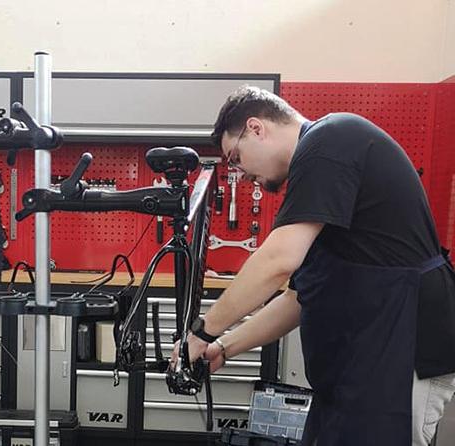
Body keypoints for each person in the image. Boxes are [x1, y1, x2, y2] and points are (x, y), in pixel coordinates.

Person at [172, 85, 455, 445]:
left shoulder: (331, 140)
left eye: (236, 157)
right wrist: (223, 347)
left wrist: (201, 333)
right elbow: (298, 299)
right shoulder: (320, 178)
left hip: (403, 352)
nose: (240, 174)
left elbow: (278, 261)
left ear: (256, 128)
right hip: (363, 363)